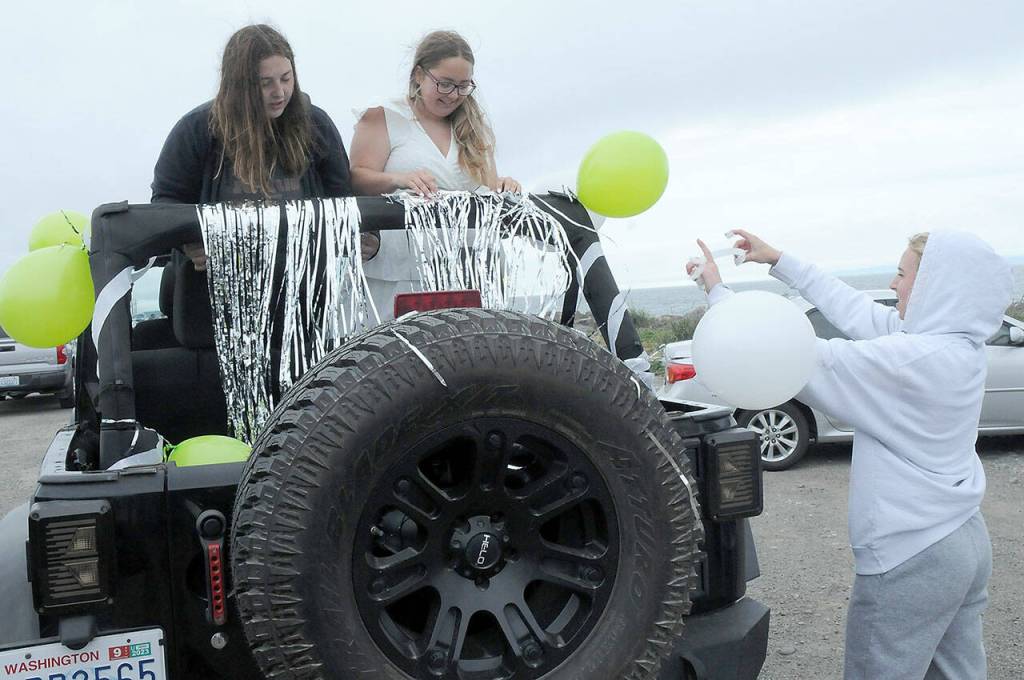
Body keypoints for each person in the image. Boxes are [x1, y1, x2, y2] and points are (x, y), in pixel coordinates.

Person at [689, 229, 1012, 679]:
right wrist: (779, 260)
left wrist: (717, 291)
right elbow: (856, 310)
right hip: (962, 542)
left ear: (937, 288)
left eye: (902, 275)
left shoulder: (911, 362)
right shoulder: (956, 346)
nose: (893, 286)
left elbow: (783, 353)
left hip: (911, 558)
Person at [151, 24, 354, 270]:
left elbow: (343, 197)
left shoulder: (316, 124)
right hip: (215, 285)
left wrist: (370, 240)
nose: (279, 92)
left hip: (302, 279)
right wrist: (189, 243)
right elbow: (165, 202)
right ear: (239, 85)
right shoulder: (196, 129)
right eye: (265, 83)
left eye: (286, 78)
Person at [349, 29, 520, 321]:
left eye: (463, 86)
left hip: (469, 269)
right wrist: (399, 179)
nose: (454, 95)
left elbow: (486, 187)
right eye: (444, 84)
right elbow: (356, 178)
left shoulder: (475, 130)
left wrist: (503, 185)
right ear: (419, 75)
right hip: (399, 269)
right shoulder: (383, 117)